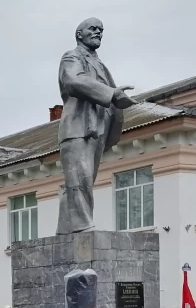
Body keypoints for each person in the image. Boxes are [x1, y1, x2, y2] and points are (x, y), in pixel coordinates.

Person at [57, 17, 137, 234]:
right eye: (93, 29)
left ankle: (65, 230)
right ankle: (83, 227)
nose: (98, 33)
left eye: (101, 30)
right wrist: (112, 94)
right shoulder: (71, 57)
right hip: (77, 127)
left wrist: (118, 103)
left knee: (80, 181)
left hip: (97, 128)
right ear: (79, 34)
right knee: (80, 178)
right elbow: (73, 81)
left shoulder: (99, 64)